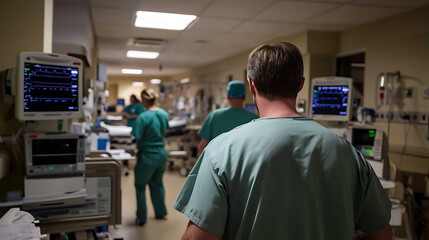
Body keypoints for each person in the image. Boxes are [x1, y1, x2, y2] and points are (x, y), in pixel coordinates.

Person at [174, 42, 392, 239]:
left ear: (251, 85)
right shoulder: (347, 153)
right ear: (300, 84)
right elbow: (382, 235)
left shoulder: (221, 151)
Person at [132, 88, 169, 226]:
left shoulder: (143, 117)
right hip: (161, 154)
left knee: (140, 186)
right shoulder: (163, 114)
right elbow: (165, 130)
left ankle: (141, 217)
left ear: (144, 100)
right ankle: (160, 213)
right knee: (157, 184)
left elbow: (137, 135)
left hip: (148, 156)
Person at [197, 80, 258, 156]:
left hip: (218, 165)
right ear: (244, 97)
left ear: (228, 97)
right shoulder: (255, 120)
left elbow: (202, 147)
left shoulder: (214, 116)